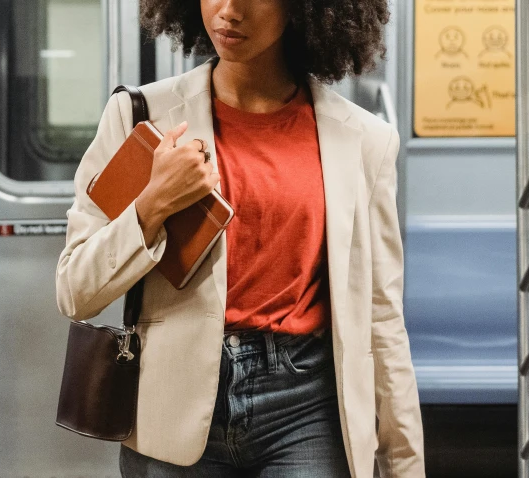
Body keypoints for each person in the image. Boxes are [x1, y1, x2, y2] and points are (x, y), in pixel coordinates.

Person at [56, 0, 425, 475]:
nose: (228, 11)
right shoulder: (141, 117)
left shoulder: (363, 141)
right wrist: (153, 204)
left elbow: (382, 321)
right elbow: (74, 291)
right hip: (174, 405)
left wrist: (404, 464)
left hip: (306, 407)